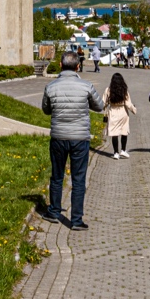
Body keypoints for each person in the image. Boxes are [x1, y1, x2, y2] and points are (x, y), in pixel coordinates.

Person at [40, 50, 103, 230]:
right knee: (78, 178)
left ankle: (54, 211)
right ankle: (76, 220)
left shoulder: (51, 87)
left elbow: (46, 109)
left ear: (60, 65)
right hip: (80, 138)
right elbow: (99, 106)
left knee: (57, 176)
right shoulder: (86, 86)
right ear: (78, 66)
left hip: (58, 136)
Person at [102, 72, 136, 159]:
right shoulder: (124, 90)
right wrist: (134, 110)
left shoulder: (108, 90)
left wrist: (102, 108)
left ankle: (115, 152)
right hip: (123, 112)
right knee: (124, 131)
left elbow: (103, 102)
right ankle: (123, 150)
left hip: (113, 112)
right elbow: (128, 104)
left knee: (114, 133)